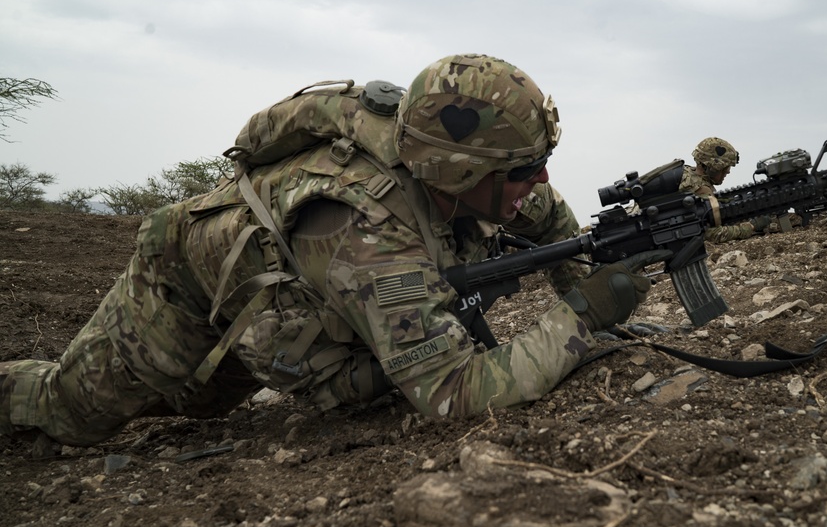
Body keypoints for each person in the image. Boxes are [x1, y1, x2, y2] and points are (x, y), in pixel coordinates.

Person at [0, 53, 661, 449]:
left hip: (281, 303)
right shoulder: (366, 232)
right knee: (72, 411)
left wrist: (590, 277)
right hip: (186, 291)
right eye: (523, 171)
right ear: (461, 173)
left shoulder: (491, 183)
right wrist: (581, 317)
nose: (539, 182)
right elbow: (452, 394)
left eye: (541, 163)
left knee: (197, 407)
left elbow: (554, 222)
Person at [678, 137, 771, 243]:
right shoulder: (699, 189)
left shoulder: (687, 173)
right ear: (713, 167)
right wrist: (751, 226)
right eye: (725, 168)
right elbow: (711, 234)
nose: (728, 172)